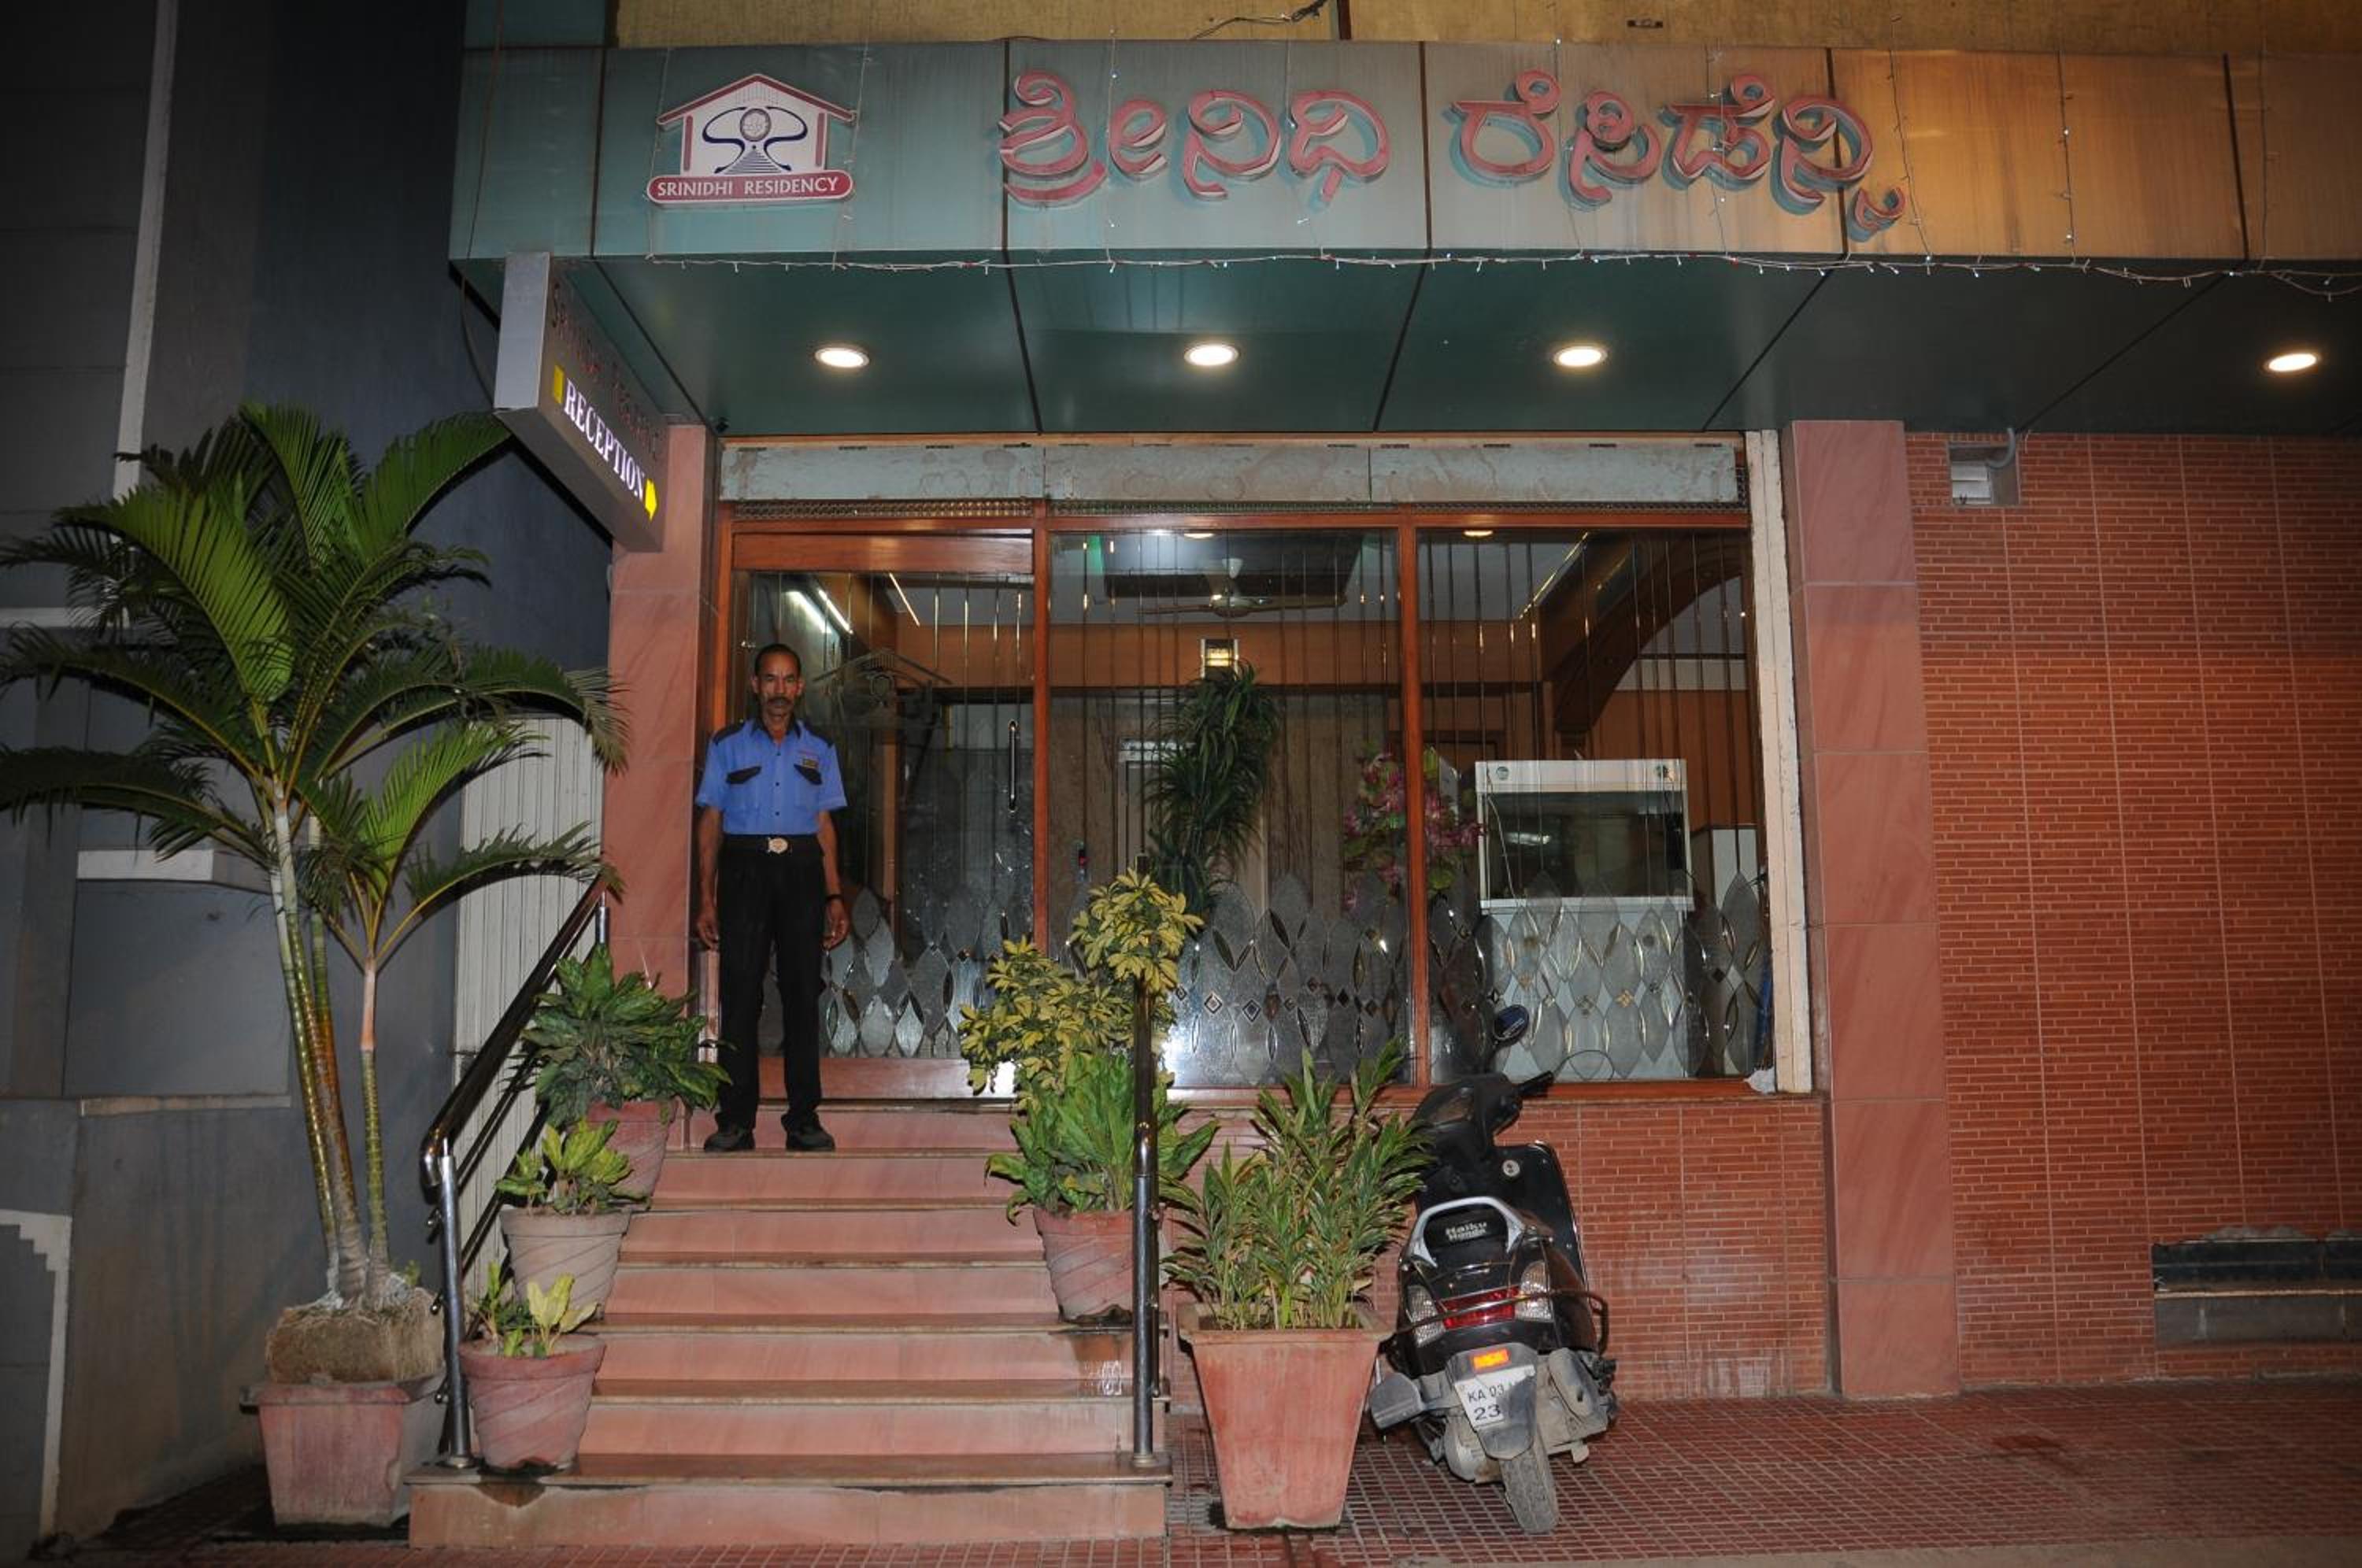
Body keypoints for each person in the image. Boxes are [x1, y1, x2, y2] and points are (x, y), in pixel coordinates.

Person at [694, 642, 850, 1152]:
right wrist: (706, 898)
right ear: (755, 685)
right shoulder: (727, 745)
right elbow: (711, 821)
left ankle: (804, 1120)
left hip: (802, 870)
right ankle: (735, 1122)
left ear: (800, 687)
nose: (779, 689)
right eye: (770, 679)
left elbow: (825, 824)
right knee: (740, 994)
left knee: (802, 993)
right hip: (745, 869)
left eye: (788, 680)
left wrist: (834, 895)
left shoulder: (820, 748)